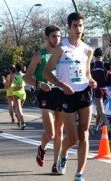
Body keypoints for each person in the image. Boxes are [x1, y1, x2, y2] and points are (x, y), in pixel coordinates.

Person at [43, 12, 97, 181]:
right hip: (67, 95)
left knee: (85, 134)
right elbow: (46, 73)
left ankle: (79, 173)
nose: (78, 29)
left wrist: (91, 80)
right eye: (75, 26)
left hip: (84, 93)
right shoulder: (61, 48)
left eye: (81, 25)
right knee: (72, 137)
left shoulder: (88, 50)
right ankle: (64, 153)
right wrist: (62, 85)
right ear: (68, 27)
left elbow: (87, 73)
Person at [23, 24, 64, 174]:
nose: (57, 39)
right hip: (45, 94)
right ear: (47, 38)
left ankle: (56, 164)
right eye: (54, 36)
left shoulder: (63, 54)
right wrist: (39, 84)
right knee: (51, 133)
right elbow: (26, 77)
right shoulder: (39, 56)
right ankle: (42, 148)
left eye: (59, 36)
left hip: (61, 93)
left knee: (59, 131)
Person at [90, 48, 111, 135]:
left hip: (98, 89)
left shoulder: (92, 65)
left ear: (94, 56)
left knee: (101, 110)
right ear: (102, 56)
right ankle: (96, 126)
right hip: (105, 89)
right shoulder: (106, 65)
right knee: (99, 110)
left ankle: (107, 125)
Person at [10, 62, 27, 130]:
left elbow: (11, 83)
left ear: (16, 68)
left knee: (18, 109)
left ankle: (22, 123)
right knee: (17, 108)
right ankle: (19, 122)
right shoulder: (24, 75)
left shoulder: (13, 75)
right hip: (23, 93)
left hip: (16, 93)